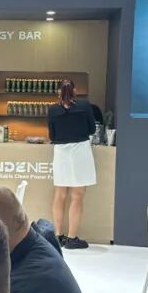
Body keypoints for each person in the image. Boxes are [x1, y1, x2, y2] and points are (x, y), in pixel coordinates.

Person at [48, 79, 97, 250]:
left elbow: (52, 135)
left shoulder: (53, 110)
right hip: (80, 152)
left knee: (60, 194)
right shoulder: (84, 106)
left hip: (61, 152)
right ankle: (71, 238)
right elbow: (92, 129)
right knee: (77, 196)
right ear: (75, 91)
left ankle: (57, 236)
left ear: (58, 92)